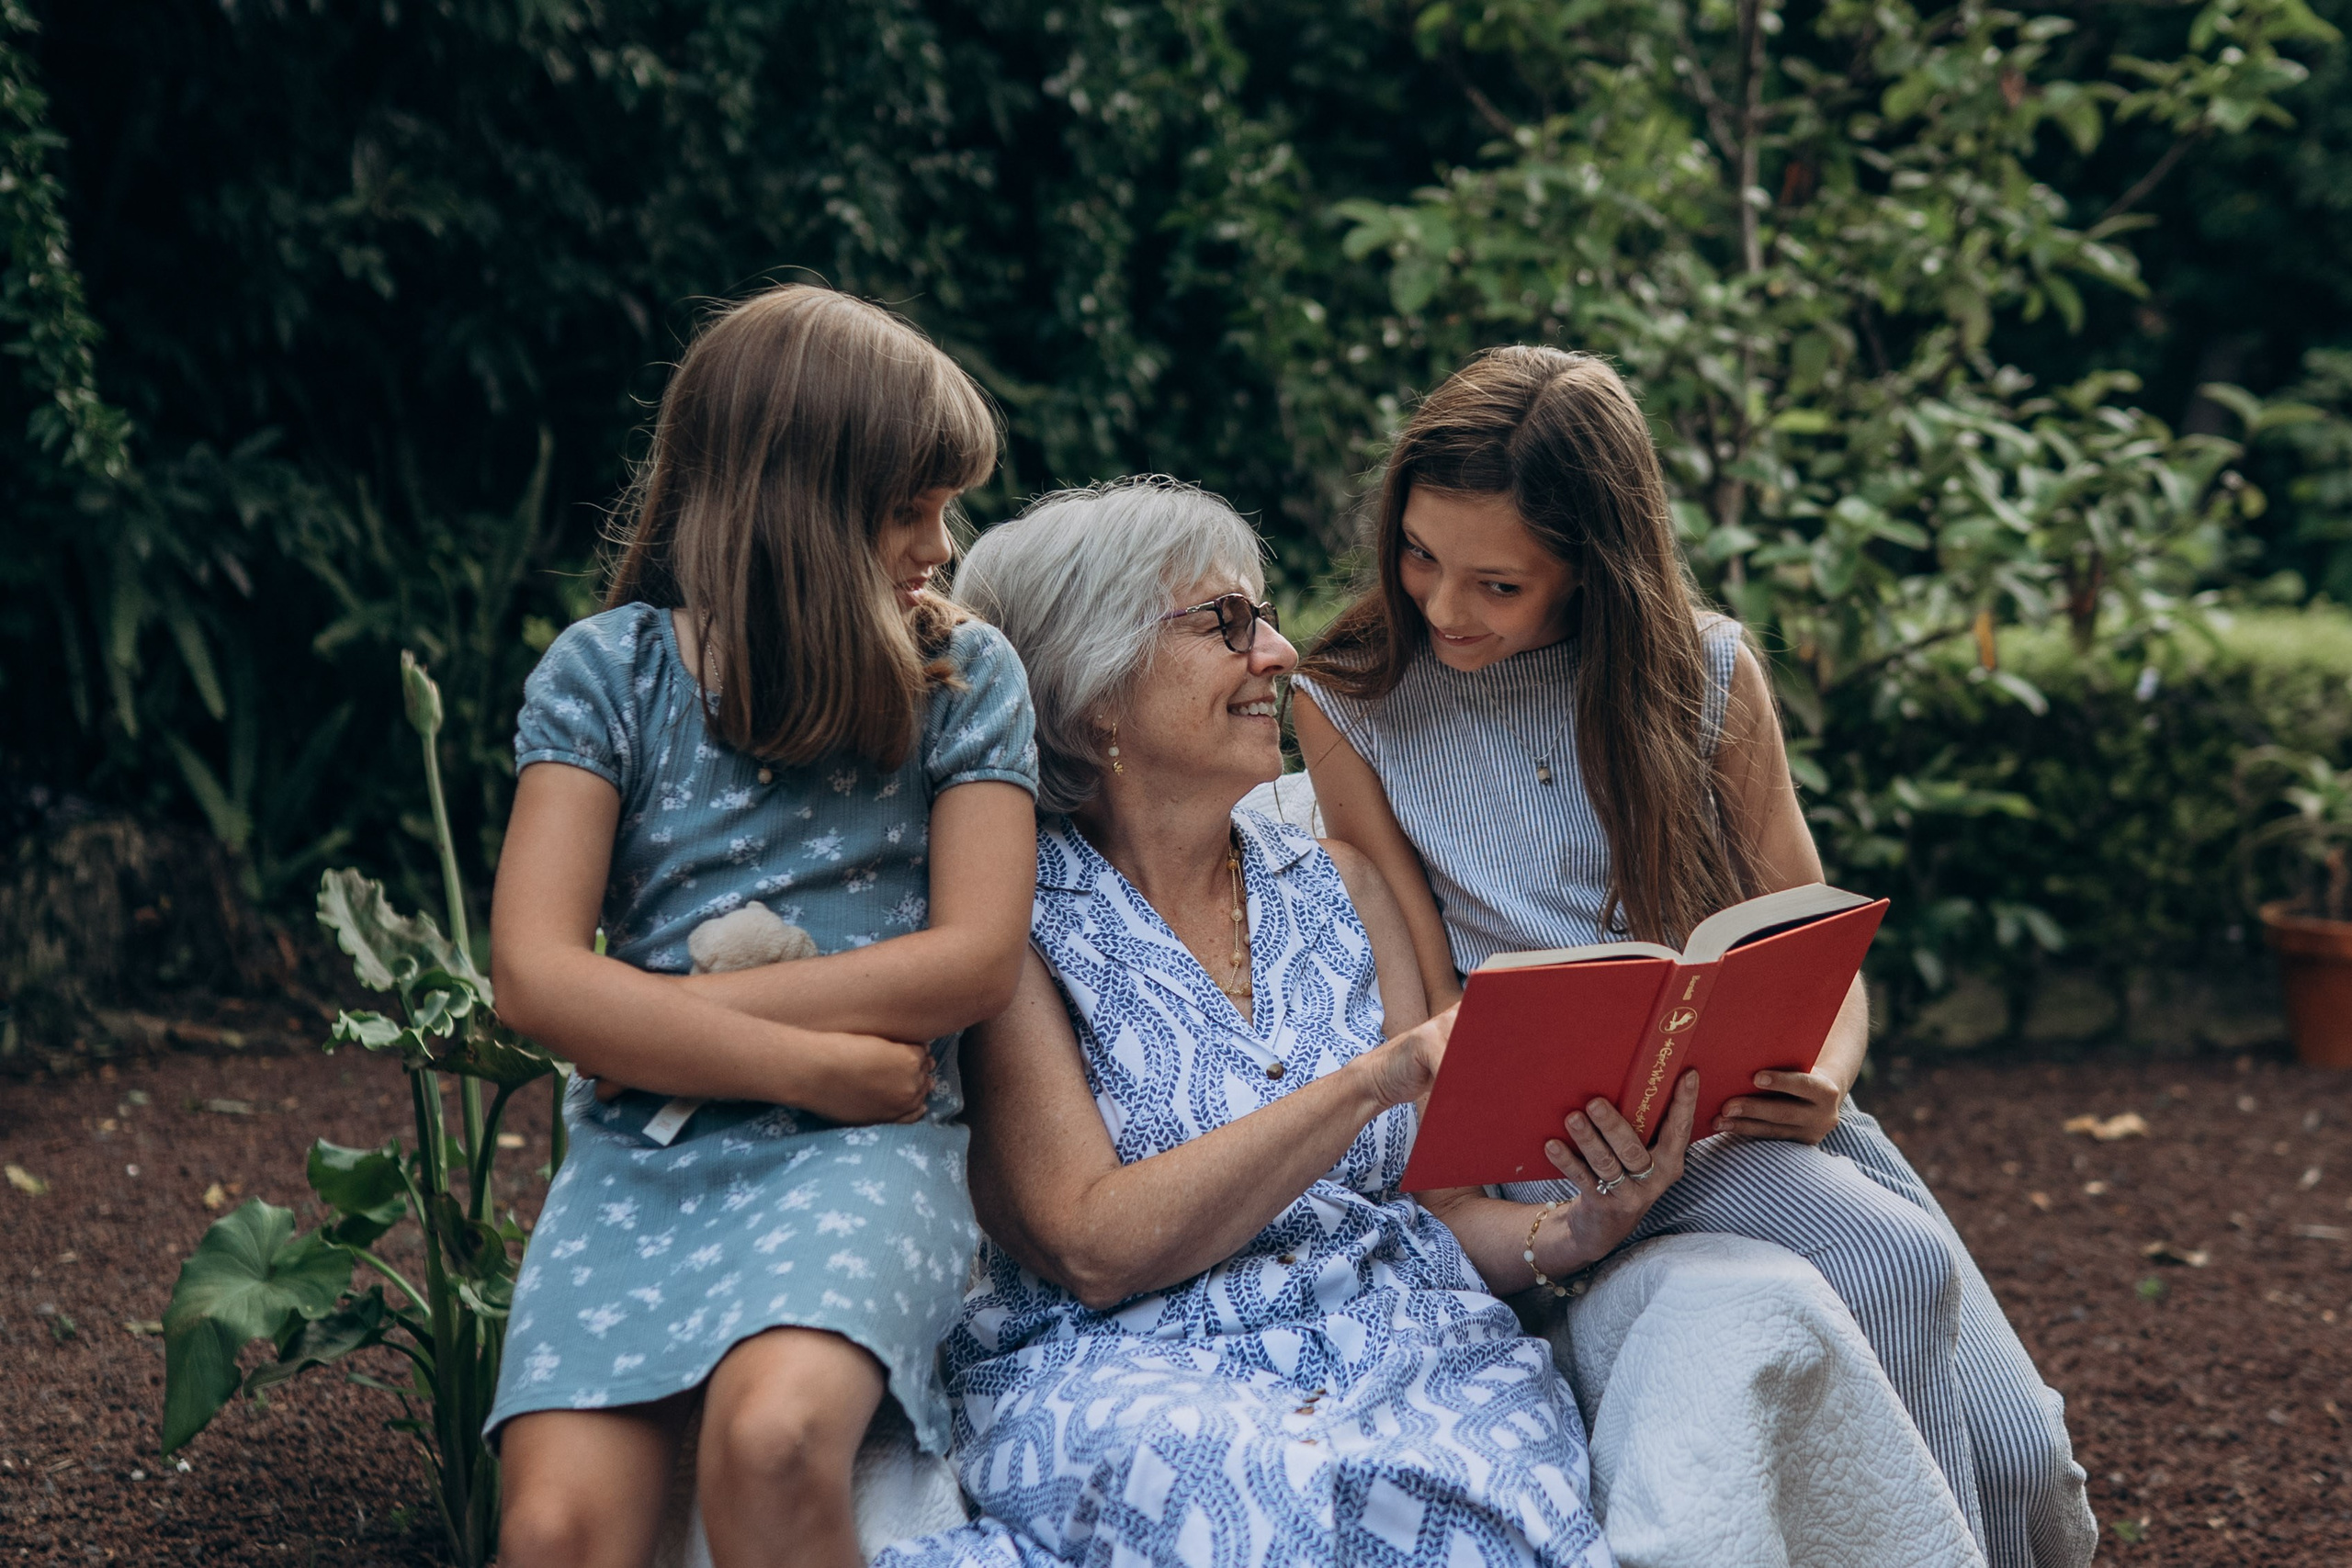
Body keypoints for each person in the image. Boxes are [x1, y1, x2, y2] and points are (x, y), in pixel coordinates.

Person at [1290, 345, 2095, 1568]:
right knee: (1890, 1256)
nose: (1446, 606)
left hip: (1746, 1118)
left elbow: (1811, 939)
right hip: (1561, 1142)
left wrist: (1825, 1075)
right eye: (1418, 555)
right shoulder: (1350, 699)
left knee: (2029, 1462)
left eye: (1498, 583)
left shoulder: (1703, 672)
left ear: (1591, 567)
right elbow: (1424, 991)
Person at [873, 478, 1705, 1568]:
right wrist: (1369, 1081)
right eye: (1225, 623)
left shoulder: (1345, 888)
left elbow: (1441, 1212)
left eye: (1262, 617)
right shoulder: (1013, 925)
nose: (1277, 653)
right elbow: (1089, 1244)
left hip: (1404, 1352)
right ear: (1094, 689)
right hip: (1131, 1371)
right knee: (1239, 1496)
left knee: (1475, 1513)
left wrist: (1575, 1231)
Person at [483, 285, 1041, 1568]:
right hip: (655, 1155)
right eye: (909, 510)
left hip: (859, 1154)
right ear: (801, 509)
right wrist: (808, 1065)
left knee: (775, 1442)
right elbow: (531, 978)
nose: (942, 545)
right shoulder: (608, 675)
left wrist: (643, 1018)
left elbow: (972, 960)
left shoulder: (963, 675)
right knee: (556, 1534)